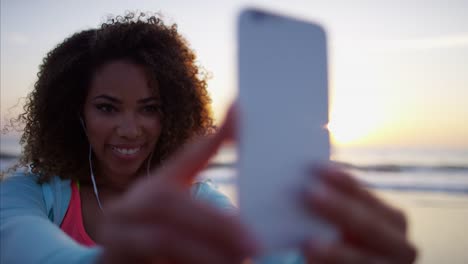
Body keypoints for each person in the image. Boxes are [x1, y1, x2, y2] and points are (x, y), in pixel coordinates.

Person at [0, 12, 417, 264]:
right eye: (108, 107)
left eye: (151, 108)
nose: (130, 129)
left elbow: (258, 251)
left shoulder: (199, 203)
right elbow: (19, 244)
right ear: (76, 111)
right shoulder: (28, 194)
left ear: (174, 116)